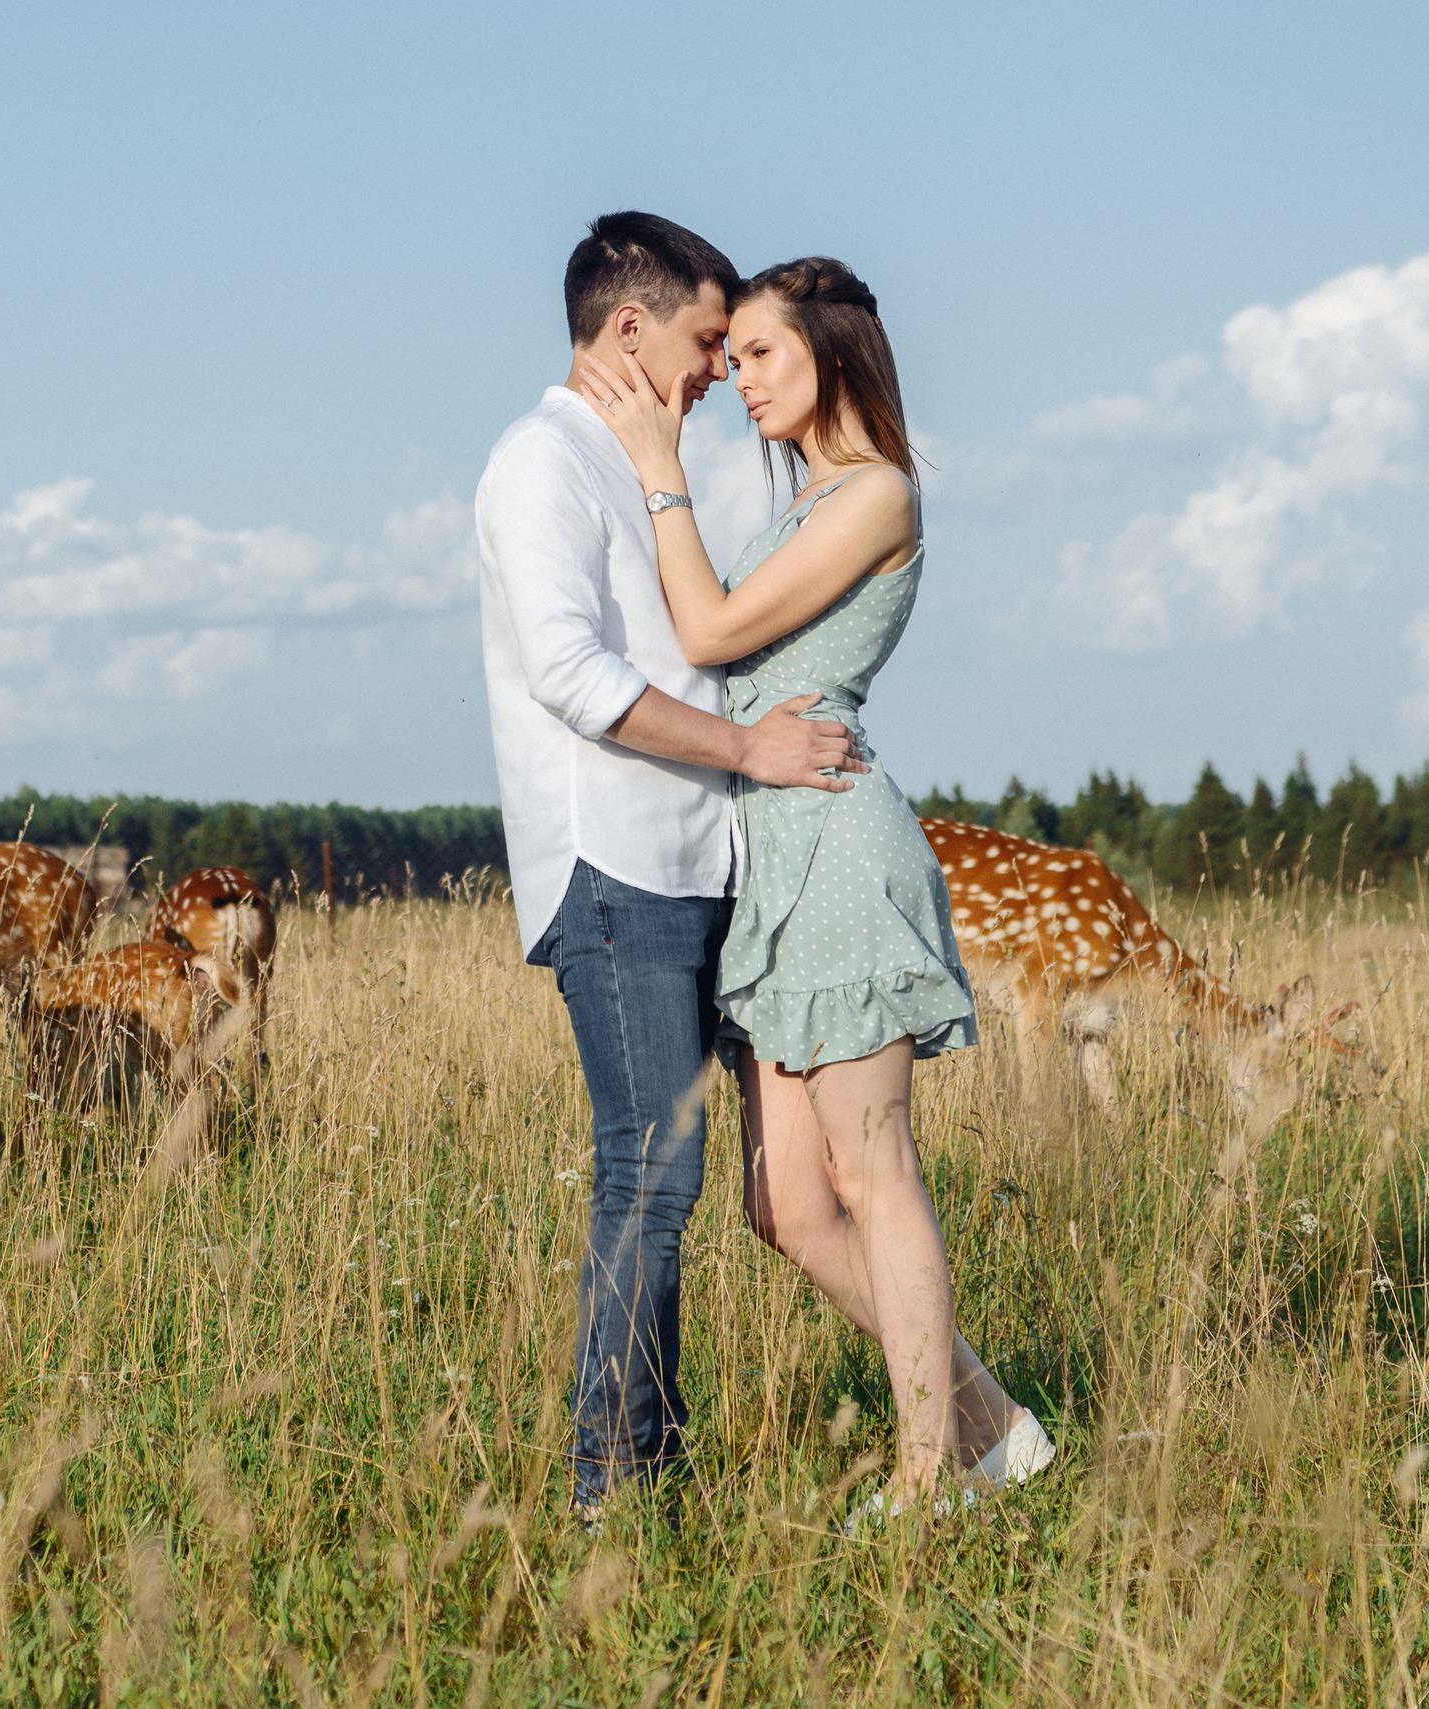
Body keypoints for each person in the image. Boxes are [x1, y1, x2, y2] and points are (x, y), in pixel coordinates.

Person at [574, 254, 1055, 1518]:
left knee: (871, 1162)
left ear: (831, 352)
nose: (735, 380)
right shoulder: (803, 504)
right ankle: (989, 1420)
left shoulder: (877, 493)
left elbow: (715, 636)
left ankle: (925, 1471)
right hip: (771, 856)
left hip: (839, 846)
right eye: (728, 359)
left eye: (759, 356)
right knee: (782, 1202)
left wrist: (658, 471)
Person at [475, 212, 864, 1523]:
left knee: (718, 1178)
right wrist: (752, 753)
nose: (718, 370)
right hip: (618, 863)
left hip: (709, 867)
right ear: (628, 329)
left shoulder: (652, 462)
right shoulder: (539, 463)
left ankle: (655, 1464)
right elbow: (576, 678)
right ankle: (608, 1493)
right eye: (707, 340)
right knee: (654, 1170)